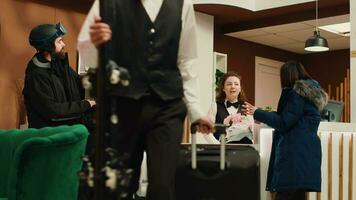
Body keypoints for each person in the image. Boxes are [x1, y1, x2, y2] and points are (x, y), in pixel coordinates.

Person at [77, 0, 214, 200]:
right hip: (123, 105)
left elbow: (187, 60)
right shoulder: (109, 3)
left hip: (167, 107)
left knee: (162, 186)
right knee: (119, 185)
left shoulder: (182, 5)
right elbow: (87, 53)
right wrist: (94, 44)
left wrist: (196, 110)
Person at [243, 61, 328, 200]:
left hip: (294, 152)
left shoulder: (296, 93)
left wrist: (257, 112)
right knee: (298, 194)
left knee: (286, 194)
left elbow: (283, 122)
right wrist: (263, 116)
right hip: (305, 152)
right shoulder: (309, 94)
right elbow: (291, 119)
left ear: (287, 76)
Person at [23, 23, 96, 129]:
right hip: (50, 138)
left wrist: (92, 78)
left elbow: (77, 82)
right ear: (48, 45)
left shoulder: (59, 64)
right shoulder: (36, 76)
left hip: (68, 131)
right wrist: (86, 104)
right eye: (59, 41)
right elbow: (52, 111)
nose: (63, 44)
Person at [209, 72, 254, 144]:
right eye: (229, 84)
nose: (233, 86)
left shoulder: (246, 107)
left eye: (236, 84)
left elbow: (252, 131)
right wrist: (217, 145)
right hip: (221, 151)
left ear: (240, 88)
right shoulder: (215, 106)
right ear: (223, 88)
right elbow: (207, 130)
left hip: (243, 150)